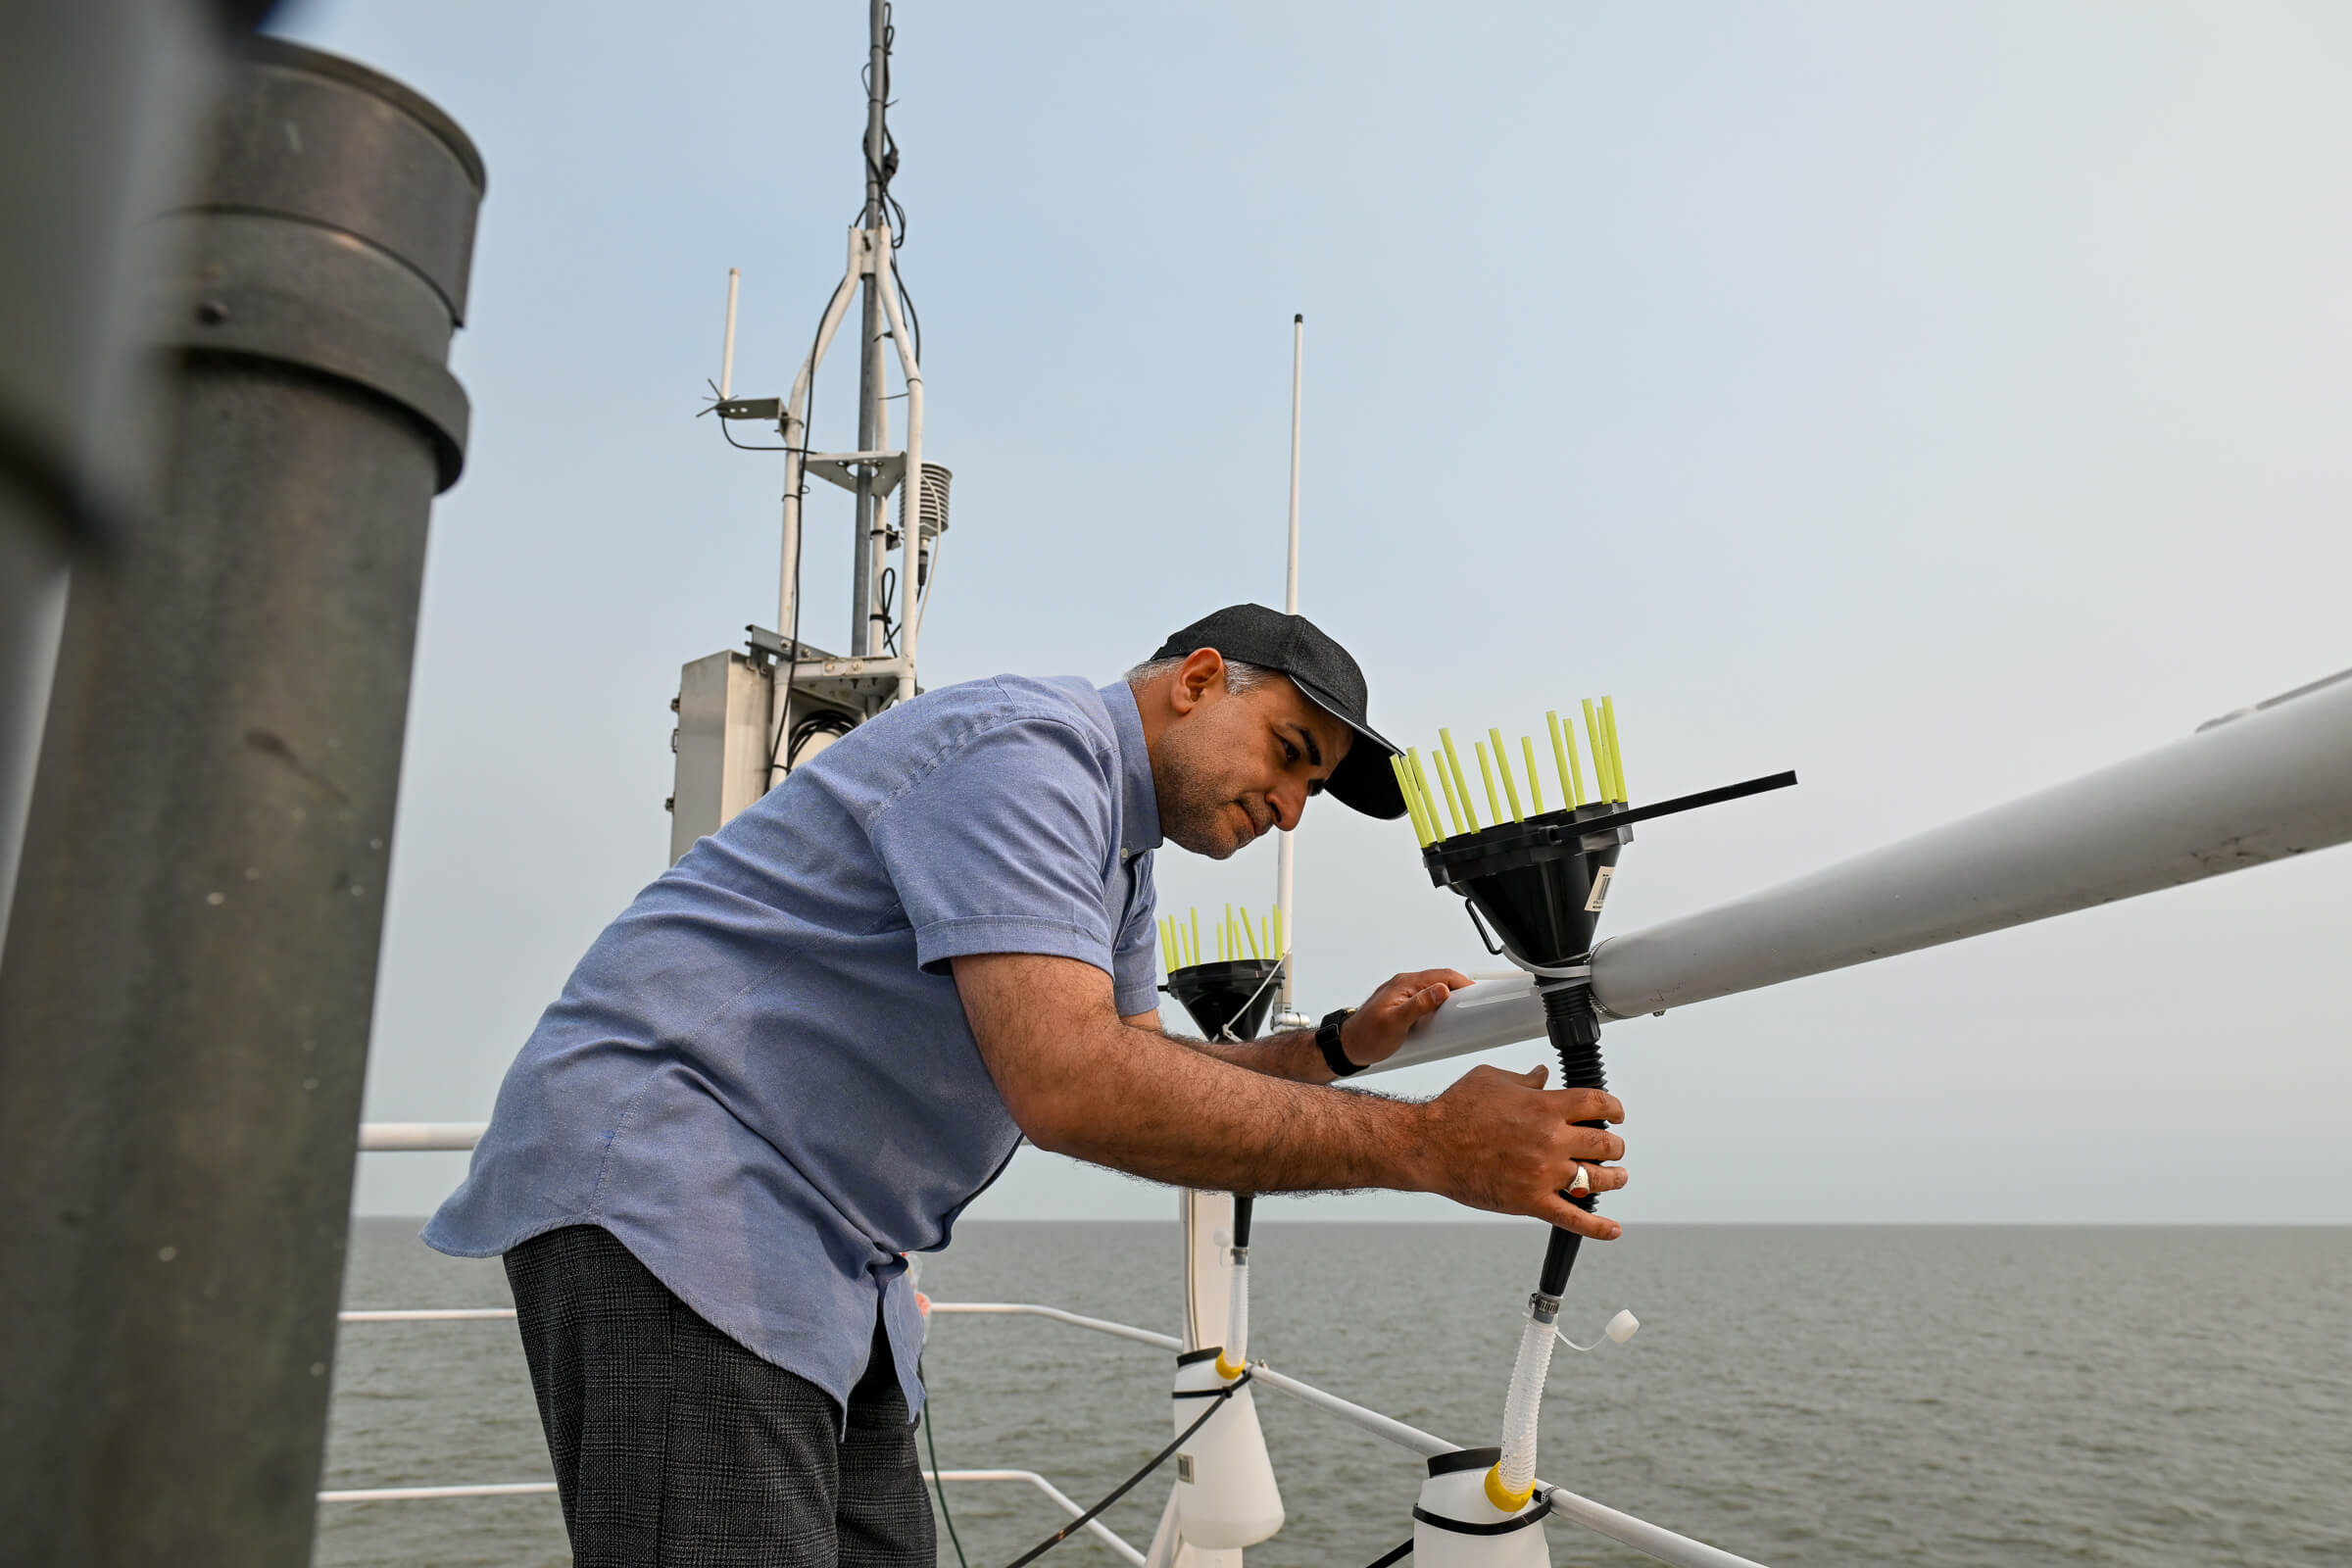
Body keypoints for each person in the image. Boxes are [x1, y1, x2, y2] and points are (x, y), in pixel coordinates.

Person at [424, 603, 1628, 1567]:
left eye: (1314, 787)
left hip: (819, 1250)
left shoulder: (1121, 852)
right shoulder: (1030, 753)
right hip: (679, 1190)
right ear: (1199, 679)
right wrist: (1425, 1146)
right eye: (1289, 754)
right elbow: (1074, 1086)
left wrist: (1335, 1049)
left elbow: (1145, 1067)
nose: (1294, 807)